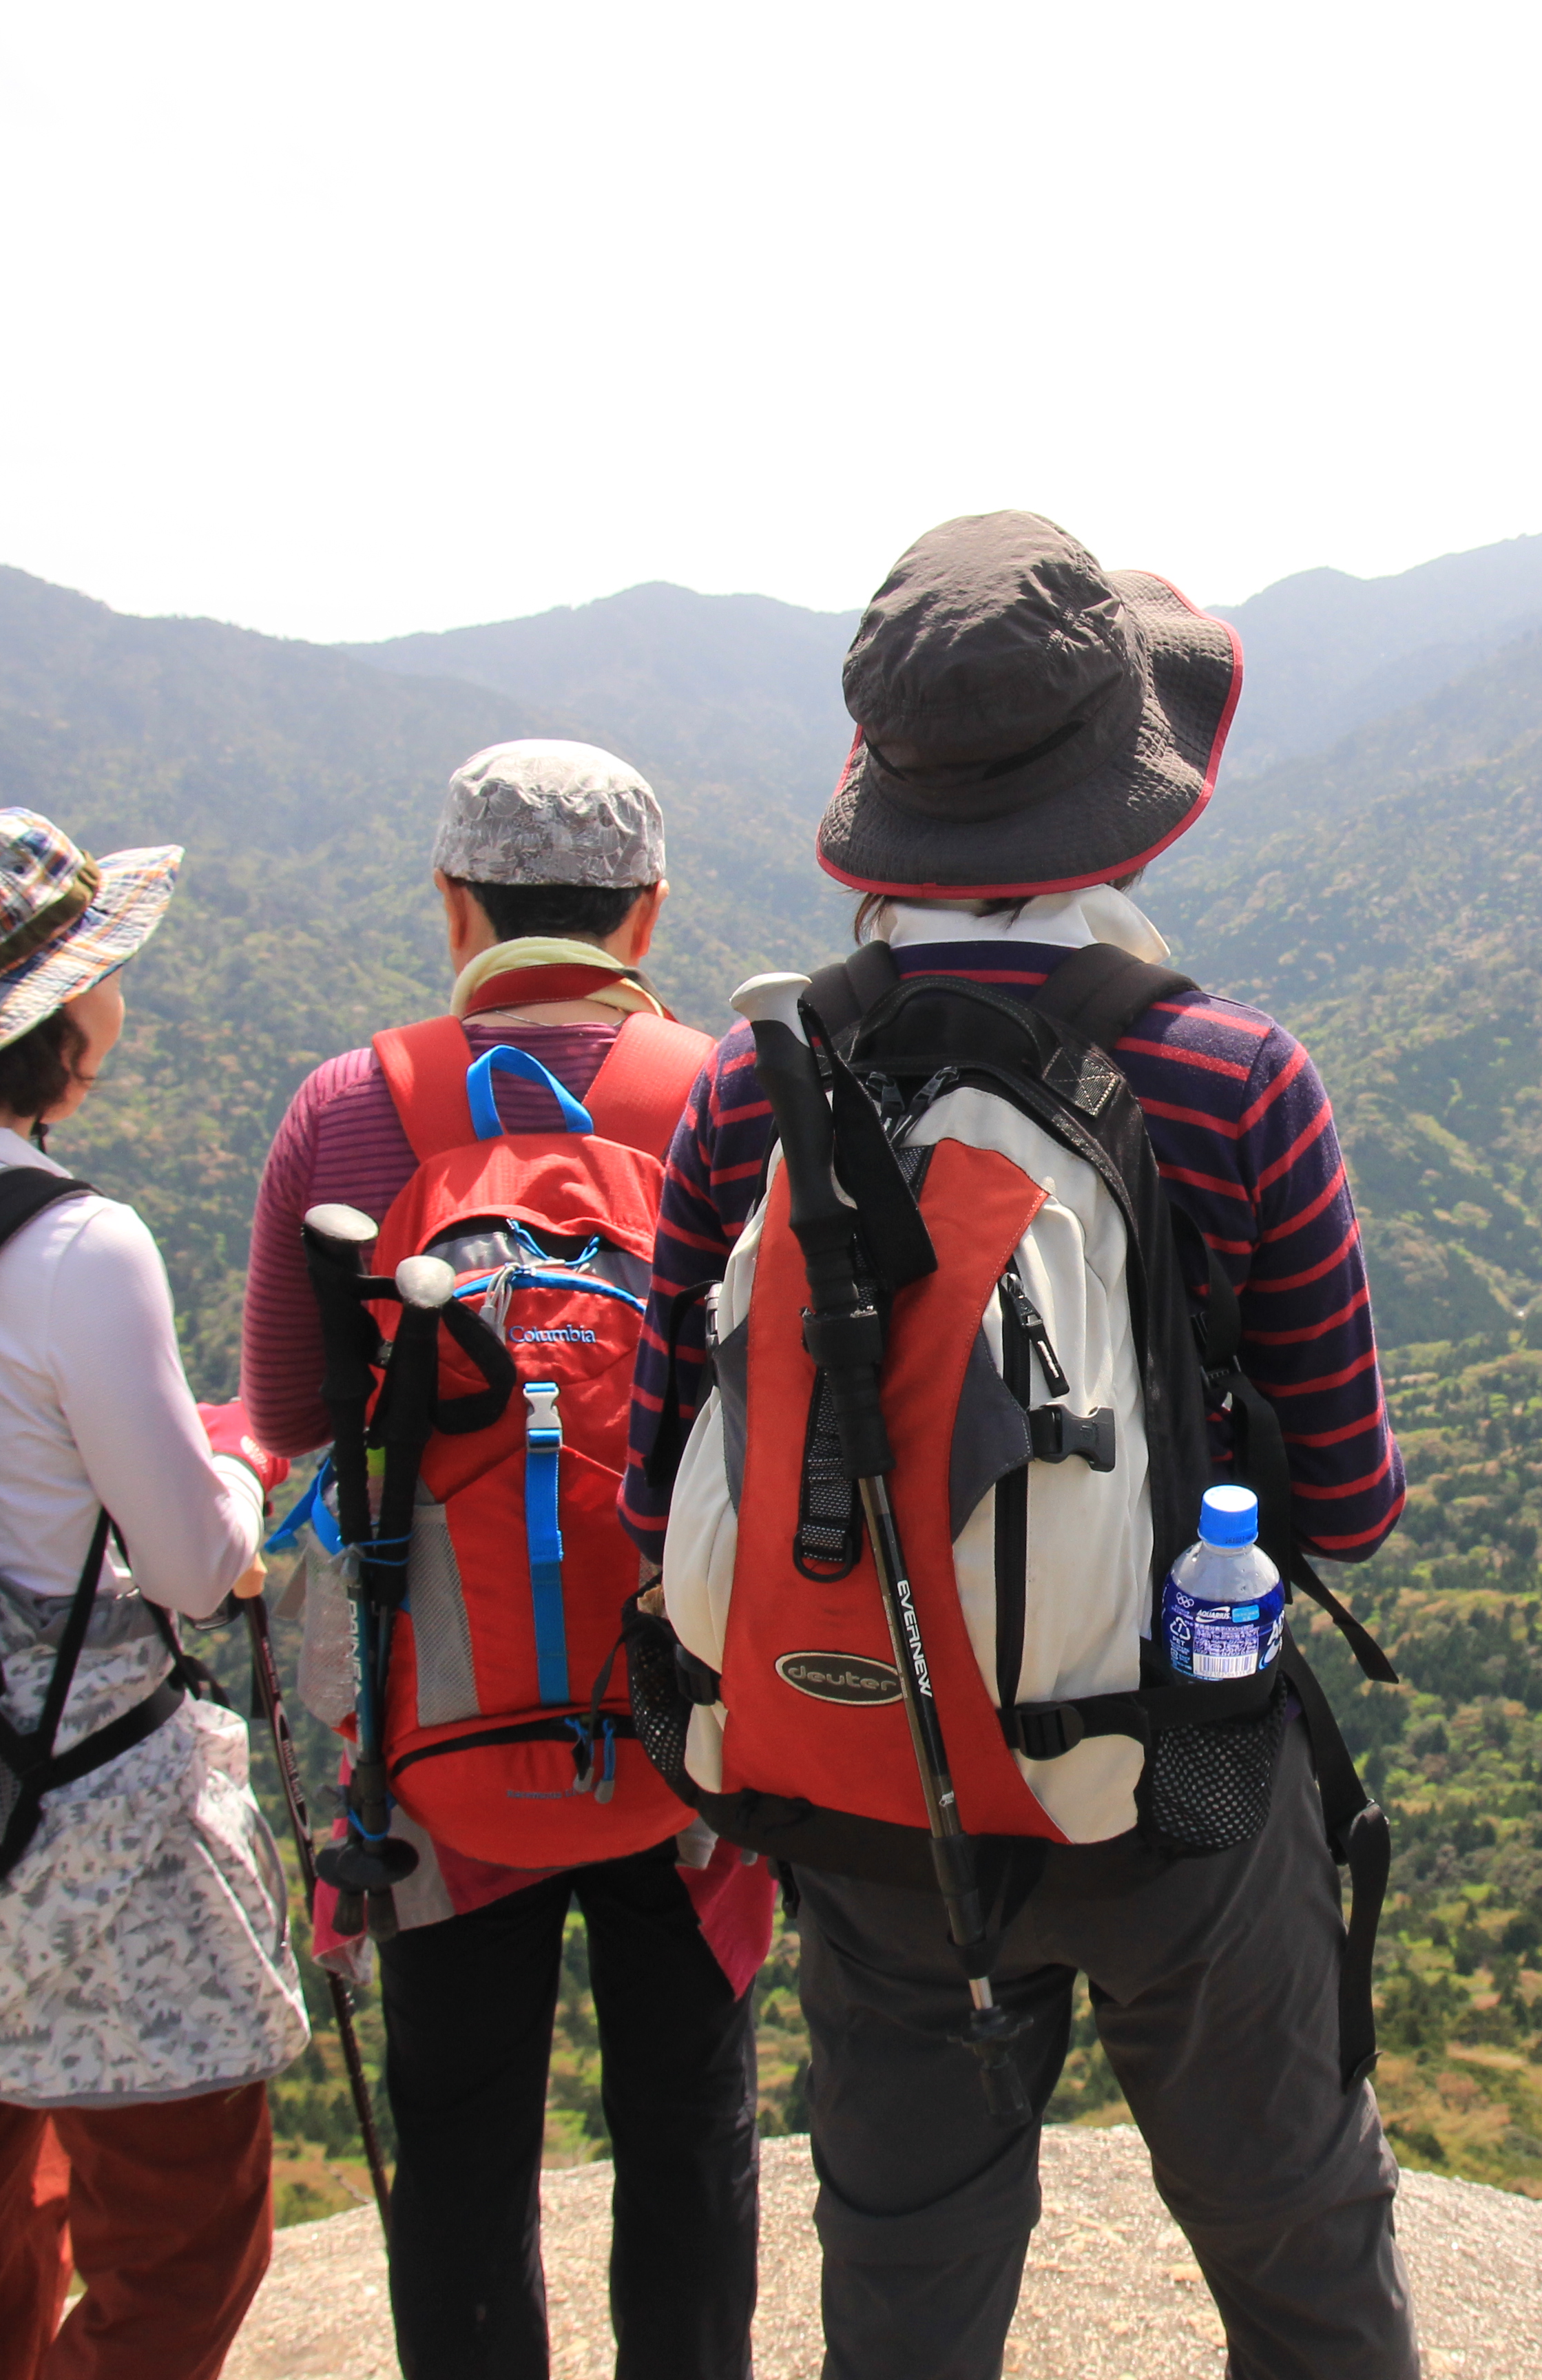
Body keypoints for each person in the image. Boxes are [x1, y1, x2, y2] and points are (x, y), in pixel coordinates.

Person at [623, 512, 1418, 2379]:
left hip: (866, 1775)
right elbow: (1355, 1504)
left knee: (907, 2280)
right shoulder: (1232, 1078)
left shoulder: (758, 1083)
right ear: (1123, 811)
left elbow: (668, 1468)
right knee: (1296, 2237)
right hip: (1176, 1787)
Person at [239, 739, 773, 2380]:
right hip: (694, 1728)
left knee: (463, 2135)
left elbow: (290, 1408)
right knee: (687, 2117)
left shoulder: (351, 1109)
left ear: (455, 903)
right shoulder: (734, 1093)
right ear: (652, 908)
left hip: (436, 1729)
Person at [0, 808, 308, 2380]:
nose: (121, 1004)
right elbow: (188, 1569)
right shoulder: (83, 1244)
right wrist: (241, 1470)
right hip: (82, 1806)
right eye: (105, 978)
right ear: (53, 1022)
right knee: (183, 2238)